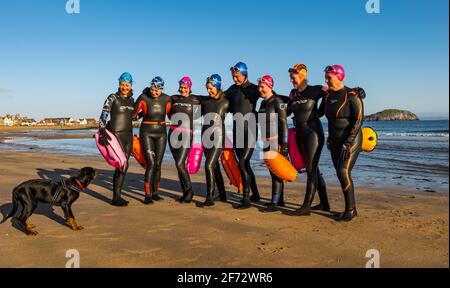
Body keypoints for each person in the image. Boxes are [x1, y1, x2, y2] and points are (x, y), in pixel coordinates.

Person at [319, 65, 365, 221]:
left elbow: (358, 120)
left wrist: (348, 142)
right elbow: (318, 113)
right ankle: (352, 209)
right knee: (341, 174)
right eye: (325, 76)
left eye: (329, 77)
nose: (326, 80)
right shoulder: (327, 96)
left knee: (342, 172)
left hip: (351, 140)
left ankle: (350, 210)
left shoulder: (352, 95)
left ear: (339, 76)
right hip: (334, 141)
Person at [287, 64, 330, 216]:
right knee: (313, 168)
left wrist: (321, 111)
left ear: (302, 75)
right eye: (291, 78)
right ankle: (325, 203)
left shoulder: (316, 89)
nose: (292, 81)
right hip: (299, 133)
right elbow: (286, 112)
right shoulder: (293, 94)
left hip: (313, 133)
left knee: (311, 168)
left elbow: (334, 92)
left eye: (294, 77)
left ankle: (306, 206)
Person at [226, 62, 260, 209]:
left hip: (250, 130)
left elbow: (272, 96)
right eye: (233, 77)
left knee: (242, 162)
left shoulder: (254, 89)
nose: (235, 79)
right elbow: (218, 98)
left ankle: (246, 198)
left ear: (245, 74)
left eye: (237, 76)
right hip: (236, 130)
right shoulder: (232, 90)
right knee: (244, 164)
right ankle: (256, 194)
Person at [98, 72, 135, 207]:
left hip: (128, 136)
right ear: (119, 84)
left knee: (125, 166)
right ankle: (116, 197)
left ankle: (118, 195)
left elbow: (133, 117)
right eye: (122, 84)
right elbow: (104, 114)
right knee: (121, 164)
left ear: (131, 85)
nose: (124, 87)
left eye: (127, 85)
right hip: (116, 135)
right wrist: (102, 130)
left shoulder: (132, 100)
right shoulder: (112, 97)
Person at [133, 77, 172, 204]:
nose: (154, 92)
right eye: (152, 89)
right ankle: (147, 195)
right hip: (147, 132)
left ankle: (155, 192)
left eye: (156, 90)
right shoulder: (144, 98)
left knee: (159, 164)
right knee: (151, 164)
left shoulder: (167, 99)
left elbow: (174, 116)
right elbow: (133, 114)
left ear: (161, 89)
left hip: (161, 133)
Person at [257, 75, 289, 212]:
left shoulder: (278, 102)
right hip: (265, 141)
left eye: (262, 87)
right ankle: (279, 200)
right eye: (259, 87)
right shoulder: (263, 103)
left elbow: (284, 123)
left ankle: (274, 203)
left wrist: (285, 144)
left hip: (276, 141)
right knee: (272, 171)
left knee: (276, 172)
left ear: (270, 86)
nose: (260, 89)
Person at [169, 76, 201, 203]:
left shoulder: (196, 100)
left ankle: (189, 191)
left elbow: (197, 117)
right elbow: (167, 110)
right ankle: (185, 192)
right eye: (181, 87)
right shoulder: (173, 99)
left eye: (185, 87)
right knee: (179, 165)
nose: (183, 90)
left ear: (190, 87)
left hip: (187, 134)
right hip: (172, 134)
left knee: (179, 163)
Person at [199, 74, 229, 206]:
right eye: (207, 88)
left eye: (211, 88)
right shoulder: (205, 101)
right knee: (215, 167)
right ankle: (222, 195)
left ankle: (209, 197)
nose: (208, 91)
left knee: (208, 165)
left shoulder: (226, 101)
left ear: (217, 86)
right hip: (205, 136)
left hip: (218, 137)